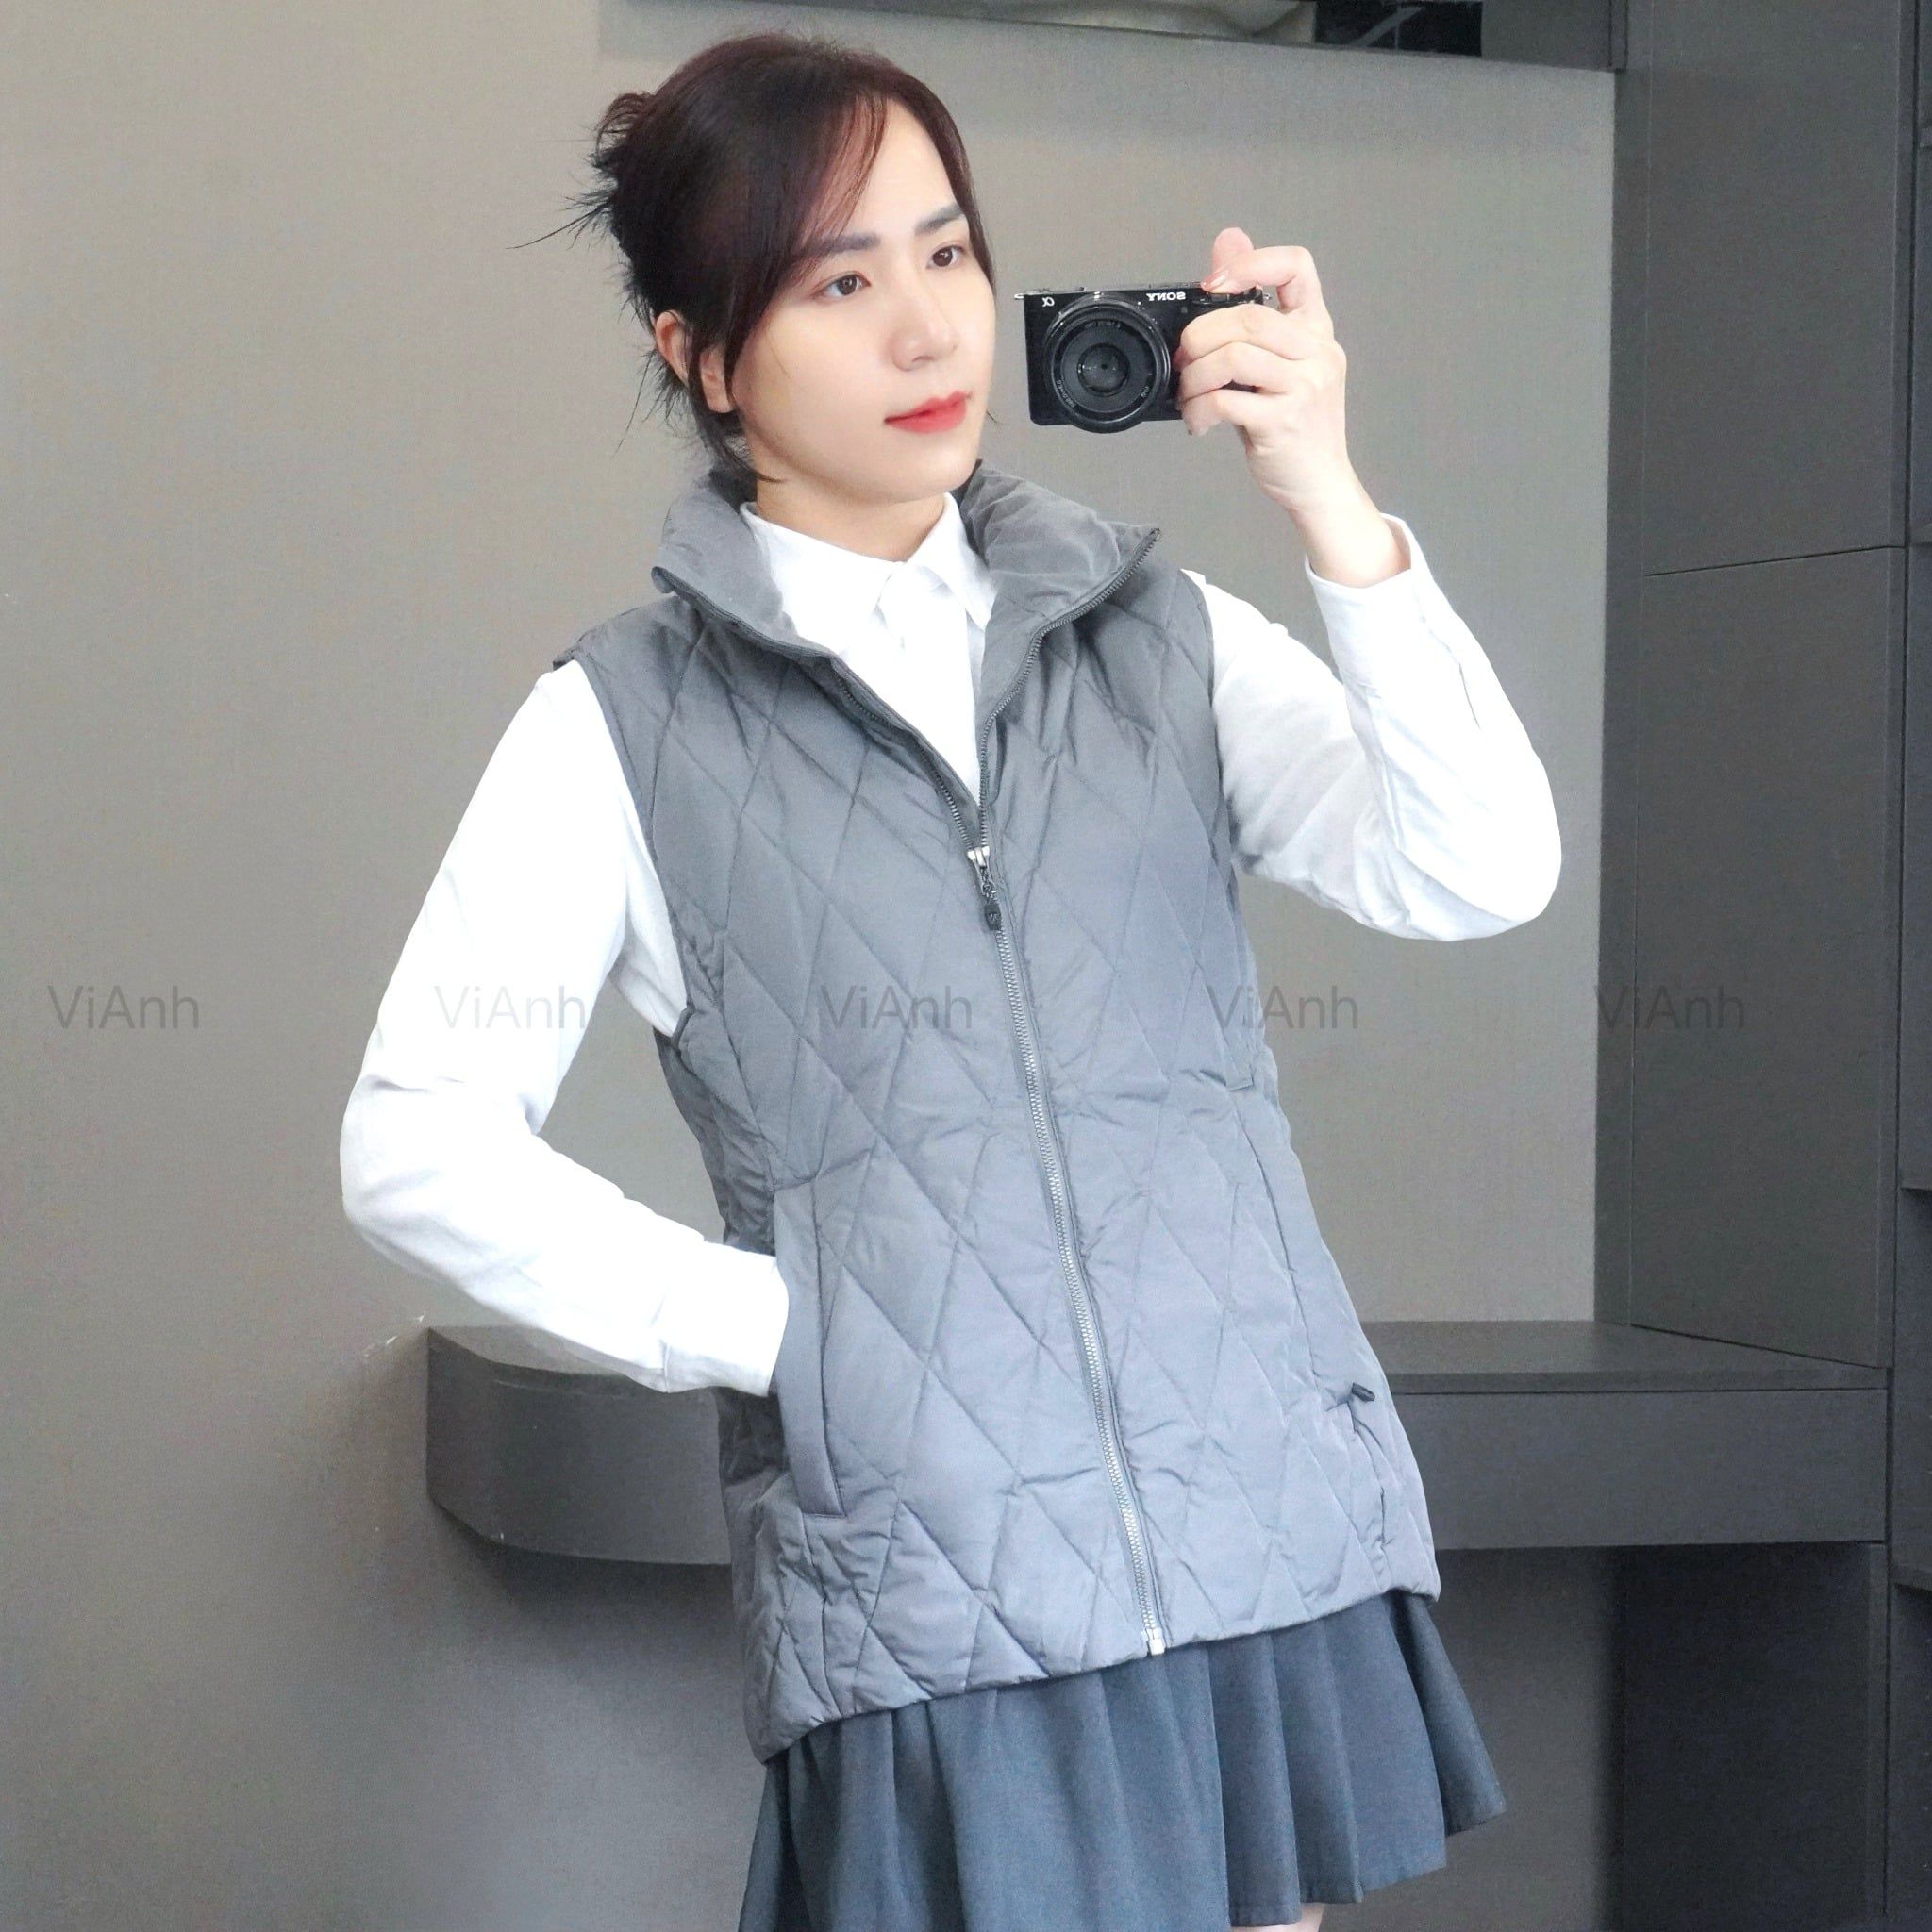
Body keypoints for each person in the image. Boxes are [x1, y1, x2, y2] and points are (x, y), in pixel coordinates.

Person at [341, 28, 1558, 1932]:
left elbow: (1475, 866)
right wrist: (789, 1332)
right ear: (702, 355)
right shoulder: (620, 725)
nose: (926, 329)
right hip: (942, 1601)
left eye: (948, 253)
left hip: (1262, 1532)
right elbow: (415, 1139)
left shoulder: (1153, 631)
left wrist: (1331, 499)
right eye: (839, 283)